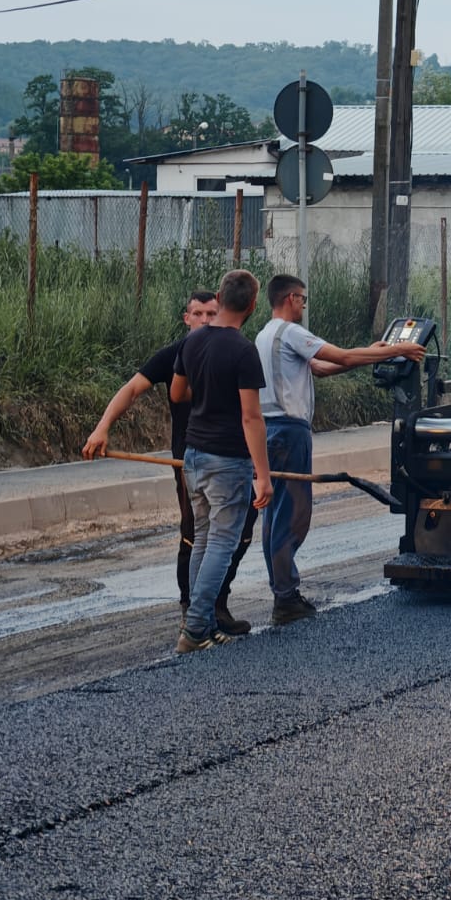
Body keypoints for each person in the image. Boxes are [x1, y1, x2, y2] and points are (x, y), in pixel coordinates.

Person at [255, 274, 426, 626]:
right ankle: (285, 599)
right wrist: (399, 350)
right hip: (290, 431)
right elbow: (344, 357)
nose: (304, 304)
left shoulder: (265, 335)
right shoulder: (292, 332)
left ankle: (282, 589)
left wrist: (374, 352)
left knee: (274, 515)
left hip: (269, 428)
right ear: (289, 298)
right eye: (302, 298)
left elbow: (319, 368)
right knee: (293, 512)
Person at [82, 290, 255, 635]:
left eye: (211, 313)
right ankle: (191, 610)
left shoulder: (234, 349)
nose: (205, 320)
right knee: (195, 533)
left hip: (234, 459)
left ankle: (216, 605)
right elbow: (131, 389)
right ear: (186, 318)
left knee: (242, 530)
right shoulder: (177, 353)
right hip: (190, 461)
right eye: (199, 314)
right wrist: (102, 427)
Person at [169, 270, 273, 653]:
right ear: (252, 306)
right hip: (228, 460)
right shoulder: (244, 351)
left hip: (192, 456)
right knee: (222, 544)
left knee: (203, 540)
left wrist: (209, 387)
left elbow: (178, 392)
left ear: (219, 296)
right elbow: (251, 418)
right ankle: (196, 629)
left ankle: (202, 623)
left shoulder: (193, 343)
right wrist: (263, 476)